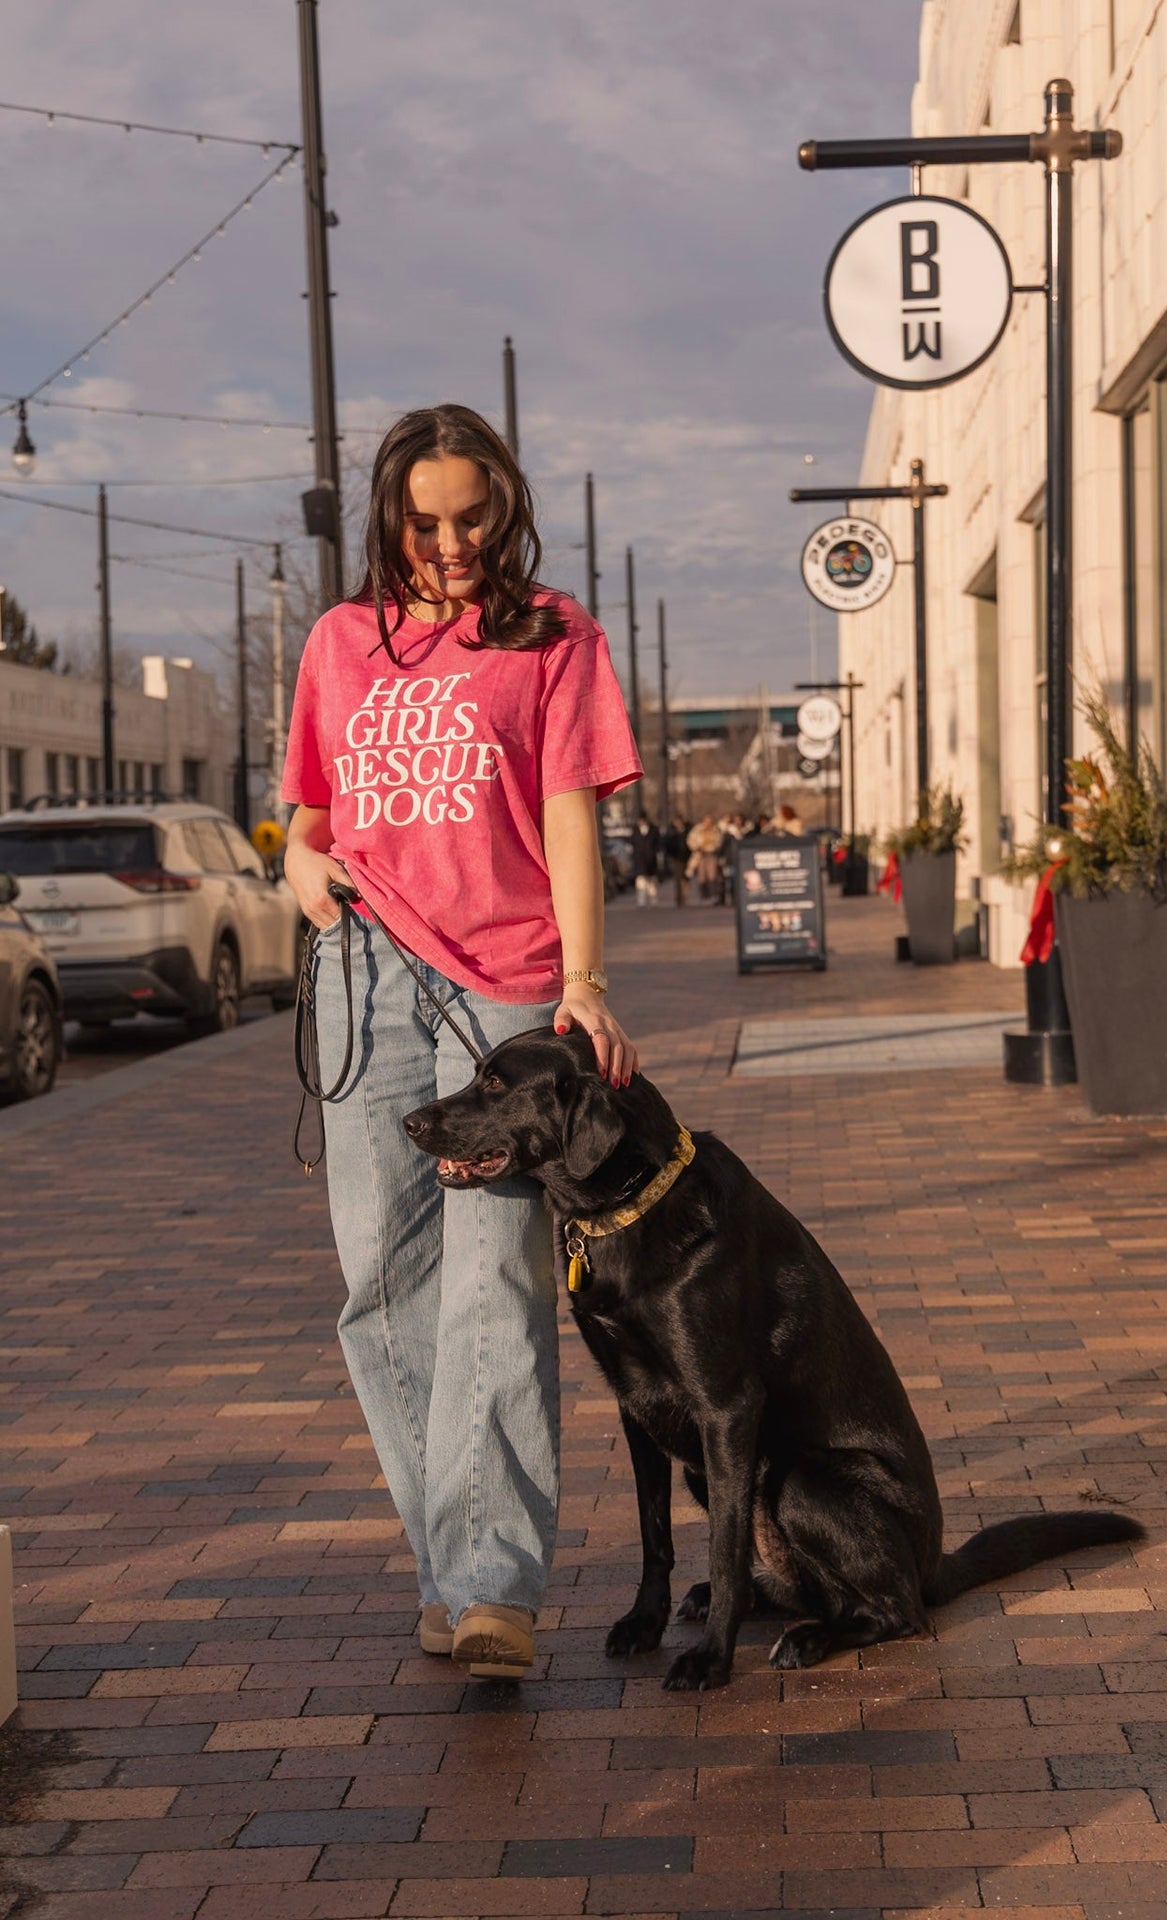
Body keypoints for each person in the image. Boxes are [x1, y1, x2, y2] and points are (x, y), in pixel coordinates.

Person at [281, 404, 641, 1680]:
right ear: (389, 515)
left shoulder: (551, 635)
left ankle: (491, 1585)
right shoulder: (337, 643)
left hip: (503, 983)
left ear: (505, 501)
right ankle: (450, 1558)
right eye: (423, 520)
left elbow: (568, 814)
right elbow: (309, 813)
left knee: (493, 1270)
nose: (448, 542)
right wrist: (297, 874)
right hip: (361, 969)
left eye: (472, 514)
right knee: (380, 1278)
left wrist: (585, 985)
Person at [686, 814, 724, 903]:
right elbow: (690, 840)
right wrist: (696, 847)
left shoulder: (716, 830)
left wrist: (712, 848)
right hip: (700, 855)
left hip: (711, 855)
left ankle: (713, 894)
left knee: (712, 875)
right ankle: (704, 894)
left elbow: (719, 842)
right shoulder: (697, 830)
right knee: (702, 876)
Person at [631, 809, 660, 905]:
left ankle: (654, 901)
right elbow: (633, 844)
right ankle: (641, 902)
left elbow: (658, 844)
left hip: (651, 860)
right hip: (639, 860)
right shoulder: (635, 830)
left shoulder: (654, 829)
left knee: (652, 883)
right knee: (640, 882)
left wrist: (654, 852)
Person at [663, 815, 689, 907]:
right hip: (675, 858)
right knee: (678, 879)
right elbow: (666, 844)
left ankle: (684, 897)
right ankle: (679, 898)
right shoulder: (671, 832)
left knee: (685, 878)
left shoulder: (687, 830)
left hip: (686, 858)